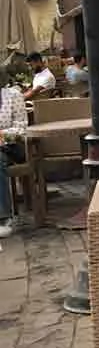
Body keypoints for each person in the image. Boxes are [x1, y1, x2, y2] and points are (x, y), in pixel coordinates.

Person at [0, 67, 28, 238]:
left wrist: (2, 134)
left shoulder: (13, 96)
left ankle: (3, 217)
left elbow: (22, 127)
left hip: (10, 146)